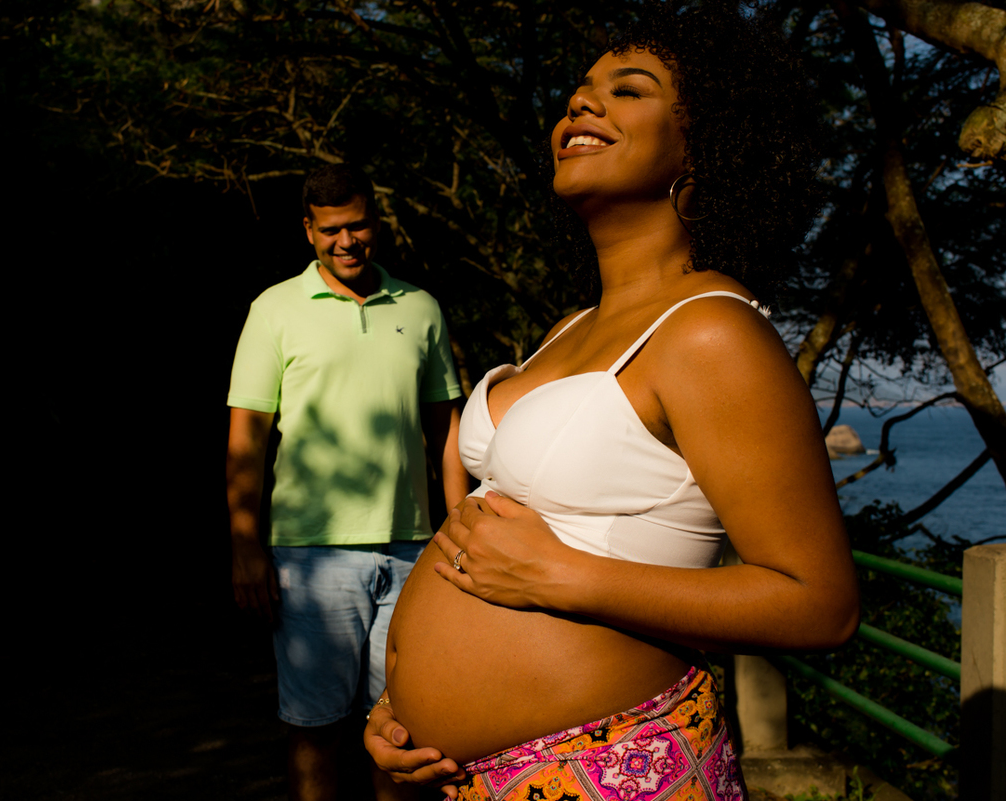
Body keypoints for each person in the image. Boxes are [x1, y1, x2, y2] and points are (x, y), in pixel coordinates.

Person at [363, 5, 860, 800]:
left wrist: (568, 577)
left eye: (627, 91)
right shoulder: (572, 327)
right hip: (455, 775)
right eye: (578, 92)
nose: (580, 105)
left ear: (703, 146)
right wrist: (399, 705)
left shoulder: (710, 333)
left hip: (610, 768)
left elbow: (820, 603)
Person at [226, 162, 468, 801]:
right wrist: (245, 546)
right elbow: (246, 440)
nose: (347, 242)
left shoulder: (420, 308)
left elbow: (448, 432)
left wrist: (457, 533)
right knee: (315, 731)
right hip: (310, 558)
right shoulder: (274, 309)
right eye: (331, 230)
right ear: (308, 230)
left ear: (374, 221)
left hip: (415, 552)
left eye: (358, 226)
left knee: (403, 731)